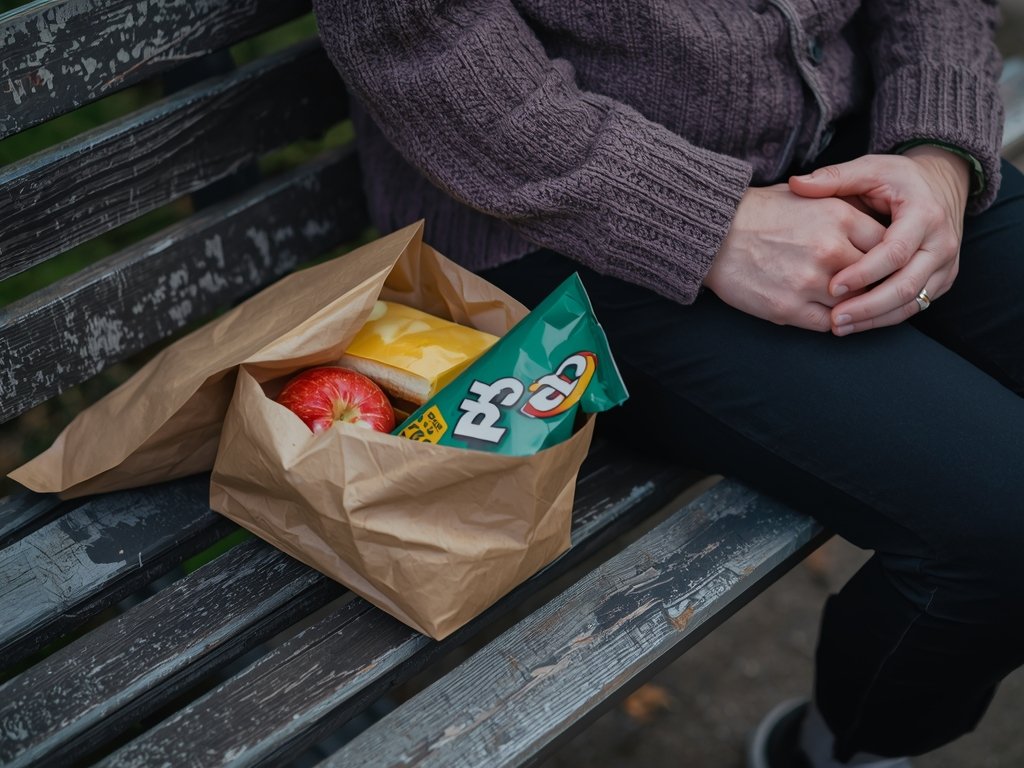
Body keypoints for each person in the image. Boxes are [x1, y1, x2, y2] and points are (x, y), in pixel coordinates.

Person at [312, 1, 1024, 766]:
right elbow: (425, 44)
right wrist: (710, 225)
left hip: (848, 139)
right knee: (1005, 524)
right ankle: (833, 753)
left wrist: (940, 155)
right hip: (562, 222)